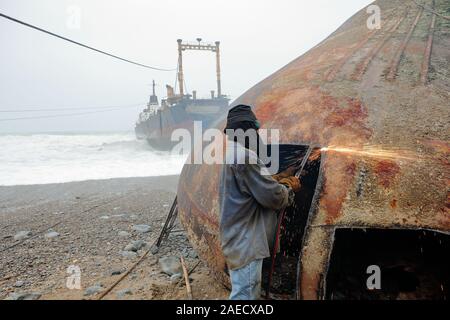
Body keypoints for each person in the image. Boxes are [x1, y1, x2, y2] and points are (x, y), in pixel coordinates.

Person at [219, 104, 301, 300]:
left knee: (244, 290)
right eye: (255, 128)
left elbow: (253, 184)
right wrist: (289, 188)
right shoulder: (246, 157)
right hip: (245, 240)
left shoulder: (233, 153)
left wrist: (280, 176)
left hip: (236, 235)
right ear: (247, 129)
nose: (257, 133)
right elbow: (273, 197)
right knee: (245, 295)